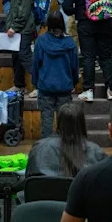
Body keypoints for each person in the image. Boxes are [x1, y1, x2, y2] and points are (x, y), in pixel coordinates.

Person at [31, 10, 79, 138]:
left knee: (46, 123)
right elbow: (74, 66)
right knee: (65, 125)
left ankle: (47, 148)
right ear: (62, 23)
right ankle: (65, 148)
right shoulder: (70, 43)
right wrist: (74, 82)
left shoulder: (41, 41)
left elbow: (36, 64)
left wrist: (35, 82)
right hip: (64, 87)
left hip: (45, 87)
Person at [27, 101, 106, 179]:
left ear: (58, 123)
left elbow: (29, 180)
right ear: (82, 124)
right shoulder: (96, 152)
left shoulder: (39, 148)